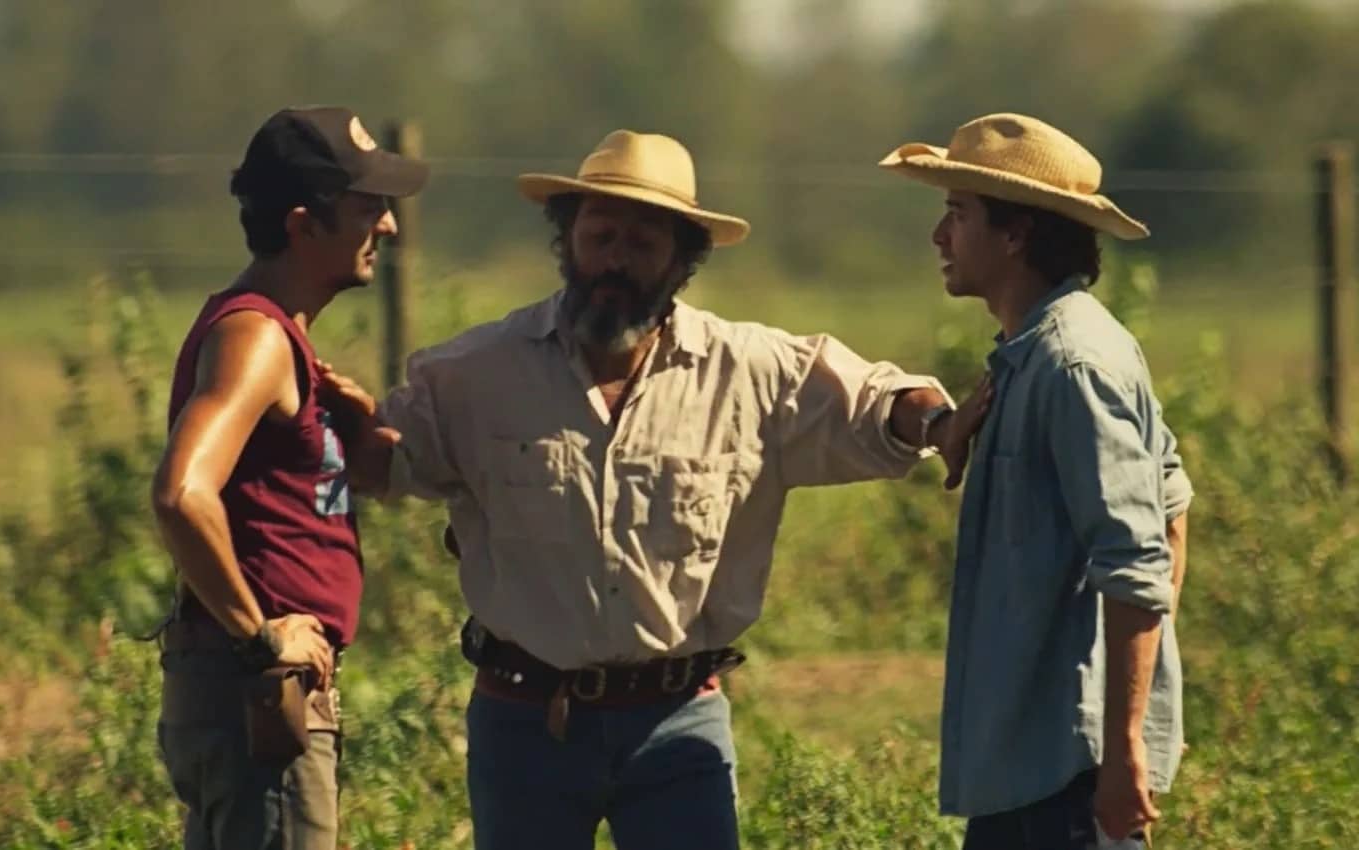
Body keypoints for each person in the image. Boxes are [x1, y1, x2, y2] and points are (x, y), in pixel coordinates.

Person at [324, 128, 991, 850]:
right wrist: (324, 416)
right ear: (567, 238)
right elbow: (381, 462)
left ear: (682, 259)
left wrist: (938, 425)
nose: (615, 259)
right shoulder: (473, 374)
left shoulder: (749, 372)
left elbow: (879, 400)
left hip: (676, 725)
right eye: (600, 235)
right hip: (525, 719)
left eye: (641, 244)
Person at [878, 113, 1193, 849]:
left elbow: (1139, 559)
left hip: (1066, 775)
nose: (939, 236)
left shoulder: (1072, 366)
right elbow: (1173, 505)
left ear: (1015, 234)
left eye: (958, 213)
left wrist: (1121, 753)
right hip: (1029, 763)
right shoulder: (1033, 353)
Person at [149, 105, 427, 850]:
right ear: (304, 224)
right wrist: (259, 640)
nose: (390, 227)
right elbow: (181, 493)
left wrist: (358, 424)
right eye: (370, 208)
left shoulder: (283, 338)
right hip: (255, 693)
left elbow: (321, 490)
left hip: (252, 692)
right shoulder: (257, 337)